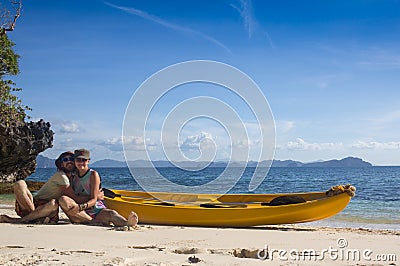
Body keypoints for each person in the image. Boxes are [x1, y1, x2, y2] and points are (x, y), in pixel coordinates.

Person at [58, 148, 138, 227]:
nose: (81, 162)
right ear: (74, 161)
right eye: (78, 160)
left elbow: (93, 199)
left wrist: (81, 207)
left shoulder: (93, 175)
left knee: (111, 213)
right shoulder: (72, 176)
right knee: (63, 199)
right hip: (80, 212)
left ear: (88, 161)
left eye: (84, 160)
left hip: (94, 209)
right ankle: (92, 221)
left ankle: (126, 223)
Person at [0, 151, 76, 223]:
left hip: (48, 208)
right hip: (32, 204)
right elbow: (73, 196)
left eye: (72, 159)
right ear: (61, 164)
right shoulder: (61, 175)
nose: (69, 161)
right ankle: (35, 218)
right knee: (20, 183)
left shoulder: (76, 179)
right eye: (66, 159)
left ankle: (22, 220)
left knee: (53, 203)